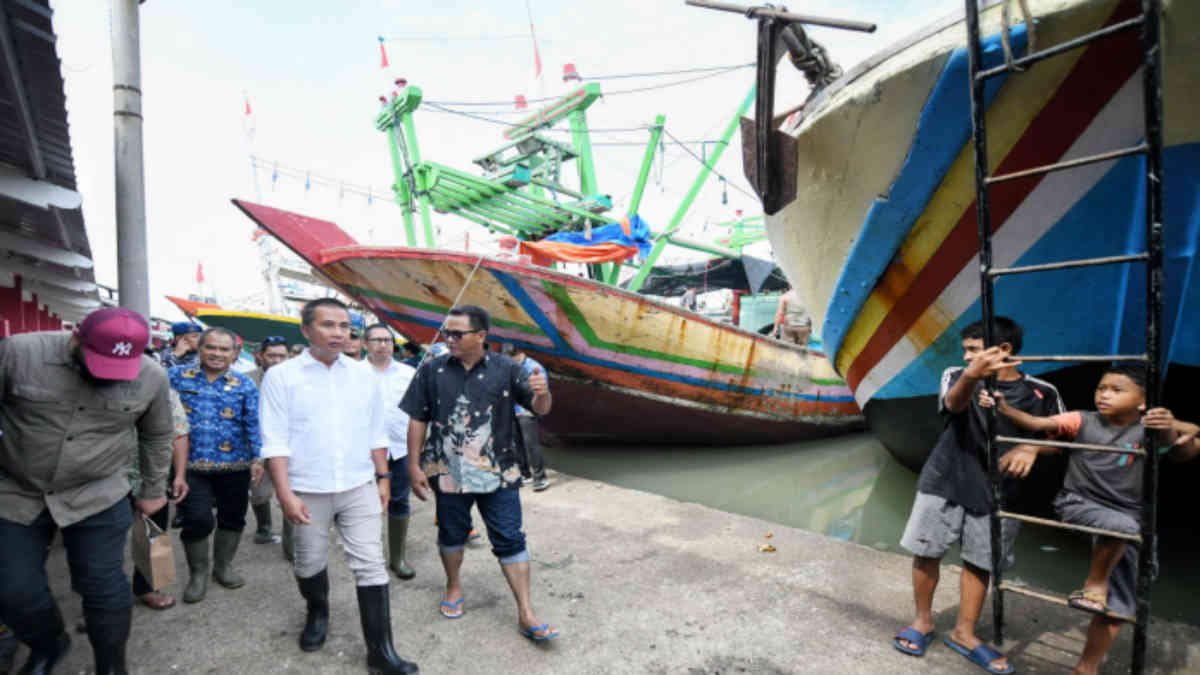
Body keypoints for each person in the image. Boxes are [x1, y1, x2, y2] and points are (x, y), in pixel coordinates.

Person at [984, 364, 1199, 675]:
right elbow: (1037, 421)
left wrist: (1176, 427)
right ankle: (1093, 585)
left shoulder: (1150, 428)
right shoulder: (1082, 419)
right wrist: (1005, 409)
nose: (1105, 395)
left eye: (1116, 390)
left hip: (1131, 515)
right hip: (1079, 503)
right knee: (1123, 532)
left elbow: (1184, 452)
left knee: (1122, 601)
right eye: (1101, 388)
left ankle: (1087, 668)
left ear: (1143, 402)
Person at [0, 307, 173, 674]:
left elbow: (157, 435)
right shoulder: (18, 353)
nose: (104, 375)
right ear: (76, 335)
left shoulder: (151, 376)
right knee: (13, 588)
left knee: (104, 586)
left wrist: (154, 489)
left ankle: (111, 665)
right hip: (16, 490)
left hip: (98, 493)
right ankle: (49, 644)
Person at [892, 317, 1064, 674]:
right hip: (946, 477)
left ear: (1004, 351)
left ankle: (964, 632)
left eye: (973, 349)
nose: (965, 355)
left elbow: (1061, 439)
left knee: (980, 561)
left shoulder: (1043, 392)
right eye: (965, 349)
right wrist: (973, 374)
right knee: (926, 551)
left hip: (1002, 490)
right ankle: (923, 621)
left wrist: (1031, 450)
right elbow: (954, 406)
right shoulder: (957, 376)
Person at [260, 298, 418, 673]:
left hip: (359, 483)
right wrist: (284, 493)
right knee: (309, 560)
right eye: (328, 325)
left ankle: (381, 652)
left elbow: (375, 431)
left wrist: (383, 477)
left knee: (371, 564)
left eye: (345, 326)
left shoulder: (363, 374)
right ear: (306, 329)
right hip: (306, 488)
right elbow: (275, 440)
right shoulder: (282, 376)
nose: (338, 333)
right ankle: (317, 612)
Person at [401, 305, 558, 641]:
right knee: (451, 534)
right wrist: (413, 465)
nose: (449, 339)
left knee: (510, 537)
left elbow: (539, 410)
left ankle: (526, 612)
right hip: (447, 471)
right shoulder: (432, 369)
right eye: (446, 332)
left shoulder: (508, 369)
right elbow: (417, 418)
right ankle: (454, 585)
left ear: (482, 336)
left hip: (499, 473)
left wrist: (543, 393)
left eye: (458, 334)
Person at [170, 328, 261, 604]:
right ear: (199, 348)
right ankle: (199, 573)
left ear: (234, 353)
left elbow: (253, 423)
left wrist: (258, 457)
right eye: (211, 347)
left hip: (235, 466)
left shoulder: (244, 385)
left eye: (224, 349)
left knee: (233, 518)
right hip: (190, 468)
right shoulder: (175, 377)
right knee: (197, 520)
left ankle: (223, 566)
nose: (217, 354)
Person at [128, 388, 192, 611]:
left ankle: (151, 587)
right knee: (95, 542)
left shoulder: (159, 387)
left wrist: (180, 474)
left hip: (152, 474)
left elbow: (179, 433)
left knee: (155, 533)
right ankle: (95, 601)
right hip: (103, 476)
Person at [364, 323, 419, 580]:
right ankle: (368, 557)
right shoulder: (354, 373)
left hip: (399, 447)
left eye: (387, 340)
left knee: (399, 500)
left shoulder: (408, 373)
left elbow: (420, 412)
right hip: (362, 449)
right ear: (366, 344)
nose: (383, 344)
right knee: (362, 504)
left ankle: (397, 558)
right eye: (376, 340)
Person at [248, 336, 291, 549]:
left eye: (281, 356)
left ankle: (291, 543)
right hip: (257, 447)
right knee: (259, 493)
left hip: (288, 446)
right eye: (271, 355)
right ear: (260, 357)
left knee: (291, 491)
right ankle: (264, 528)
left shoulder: (297, 380)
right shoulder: (247, 380)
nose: (276, 360)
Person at [499, 343, 551, 491]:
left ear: (519, 355)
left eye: (510, 360)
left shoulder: (534, 368)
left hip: (527, 410)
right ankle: (524, 473)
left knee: (531, 445)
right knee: (516, 443)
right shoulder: (510, 367)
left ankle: (540, 478)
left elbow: (541, 393)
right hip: (513, 409)